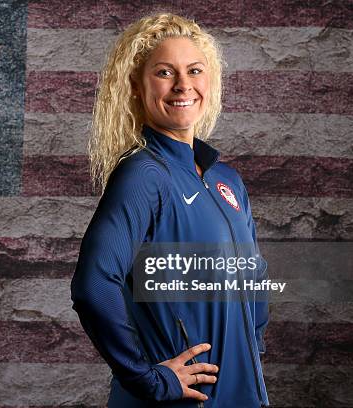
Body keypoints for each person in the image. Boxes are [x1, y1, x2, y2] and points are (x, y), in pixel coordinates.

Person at [70, 13, 270, 408]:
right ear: (137, 86)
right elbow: (94, 285)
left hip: (240, 393)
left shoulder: (225, 179)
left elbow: (253, 275)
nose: (183, 85)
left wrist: (248, 350)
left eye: (194, 70)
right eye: (165, 72)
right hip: (178, 400)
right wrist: (147, 378)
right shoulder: (144, 174)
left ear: (208, 81)